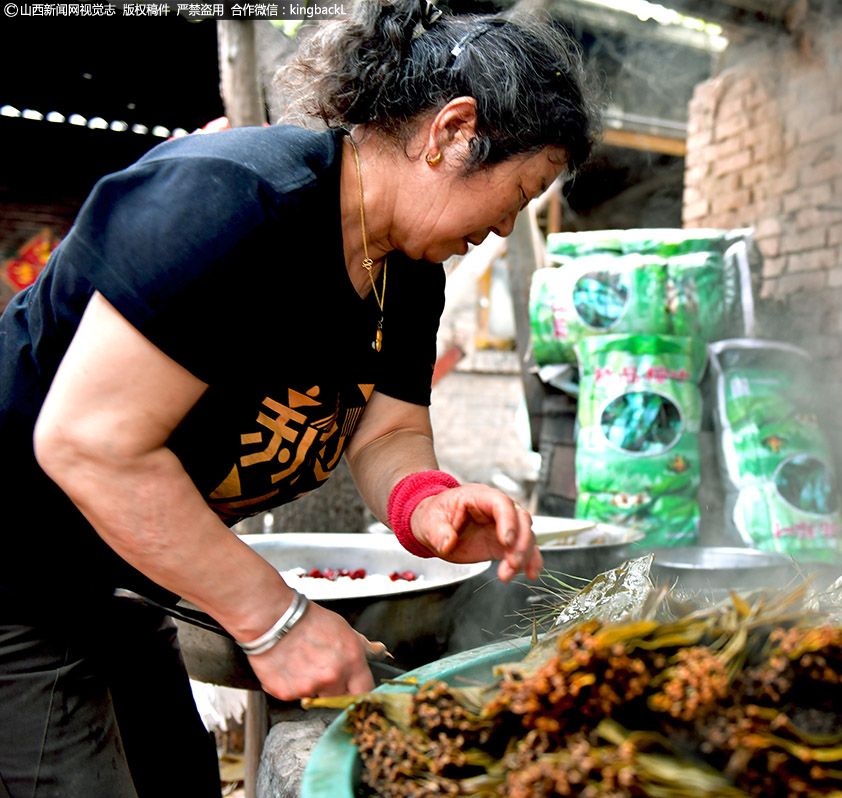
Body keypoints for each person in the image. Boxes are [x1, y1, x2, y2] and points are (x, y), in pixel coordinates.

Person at [0, 1, 597, 795]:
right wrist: (274, 619)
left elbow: (386, 433)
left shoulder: (408, 271)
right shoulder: (233, 204)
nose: (499, 229)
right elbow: (89, 444)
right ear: (453, 132)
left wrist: (428, 506)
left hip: (119, 572)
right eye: (517, 193)